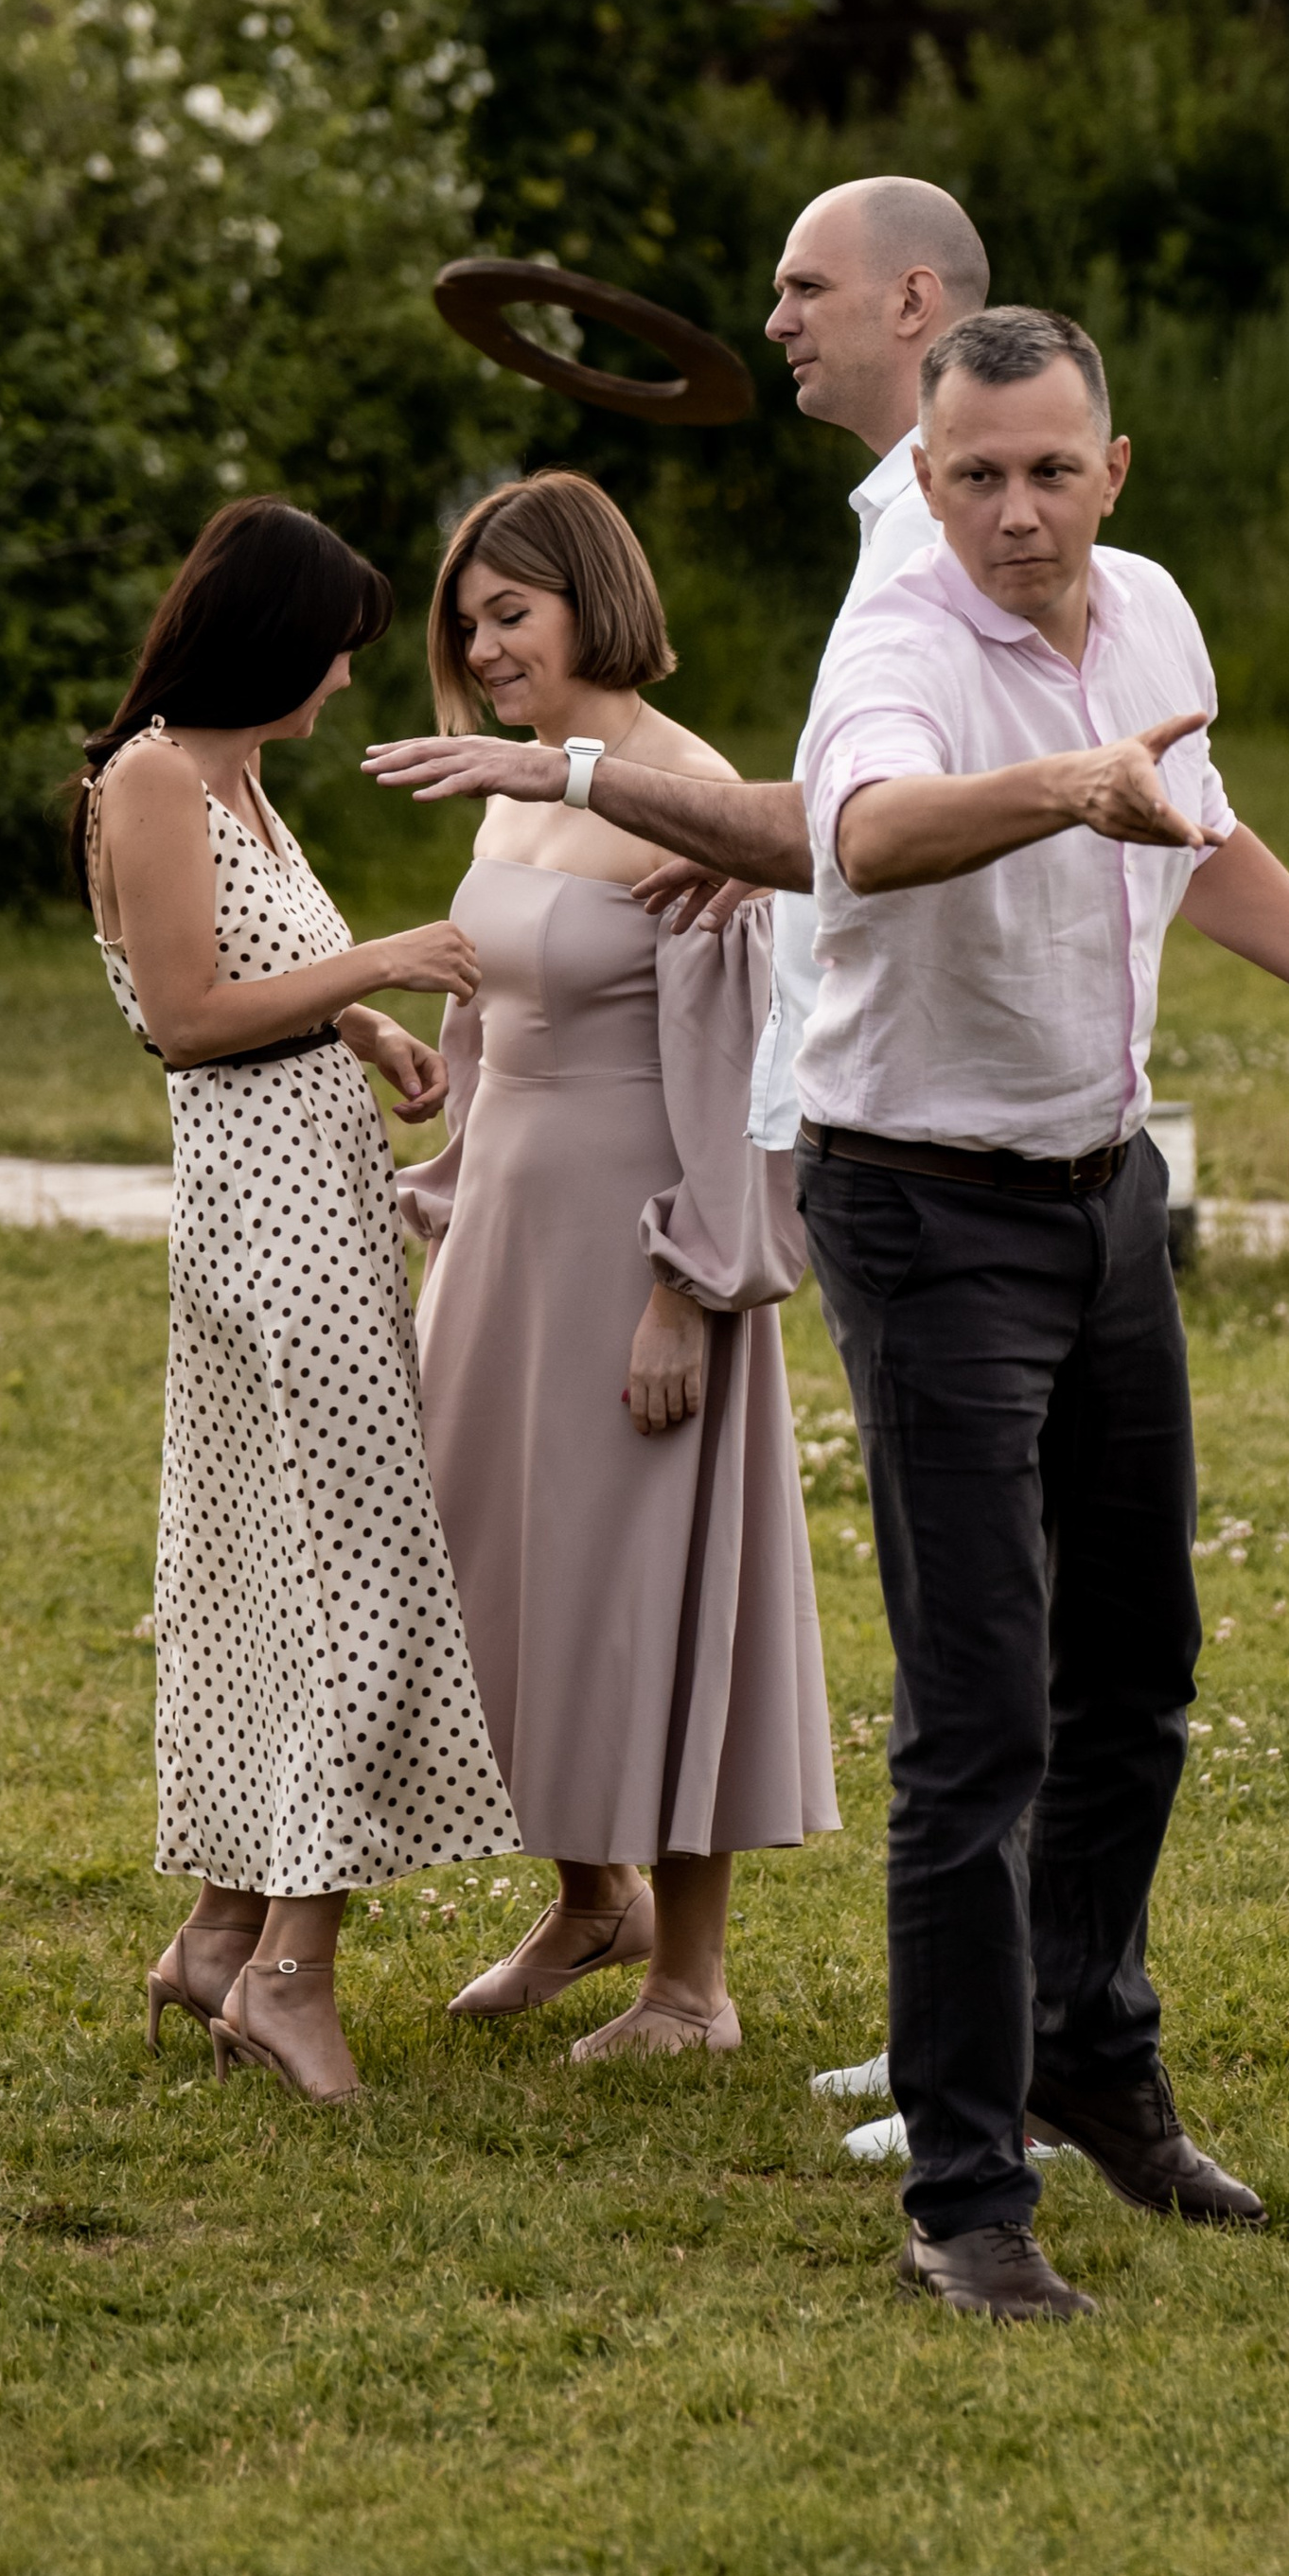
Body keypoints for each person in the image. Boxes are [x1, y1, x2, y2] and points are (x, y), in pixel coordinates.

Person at [793, 306, 1289, 2321]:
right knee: (976, 1711)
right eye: (971, 471)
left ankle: (1090, 2041)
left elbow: (1203, 822)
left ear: (1112, 467)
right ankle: (963, 2200)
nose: (1010, 509)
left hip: (1103, 1198)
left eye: (1046, 469)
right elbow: (862, 831)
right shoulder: (898, 640)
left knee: (1140, 1661)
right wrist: (1057, 785)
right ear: (923, 474)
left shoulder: (1147, 615)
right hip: (917, 1204)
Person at [76, 498, 519, 2106]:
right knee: (366, 1582)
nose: (347, 677)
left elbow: (266, 977)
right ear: (271, 636)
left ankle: (215, 1939)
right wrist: (382, 965)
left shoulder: (242, 779)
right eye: (336, 644)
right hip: (264, 1229)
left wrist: (368, 1039)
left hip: (324, 1202)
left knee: (301, 1572)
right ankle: (289, 1971)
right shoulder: (146, 779)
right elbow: (189, 1013)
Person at [396, 473, 838, 2057]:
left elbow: (738, 1059)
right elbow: (494, 993)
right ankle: (593, 1894)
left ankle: (691, 1982)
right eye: (470, 621)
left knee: (655, 1579)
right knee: (487, 1569)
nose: (486, 644)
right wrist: (442, 1176)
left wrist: (688, 1286)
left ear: (594, 596)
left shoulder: (686, 783)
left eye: (512, 611)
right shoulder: (514, 784)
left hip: (642, 1236)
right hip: (511, 1233)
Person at [359, 172, 986, 972]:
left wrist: (564, 772)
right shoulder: (897, 515)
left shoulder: (941, 531)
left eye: (808, 288)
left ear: (911, 302)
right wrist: (753, 842)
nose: (774, 322)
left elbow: (873, 819)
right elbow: (865, 810)